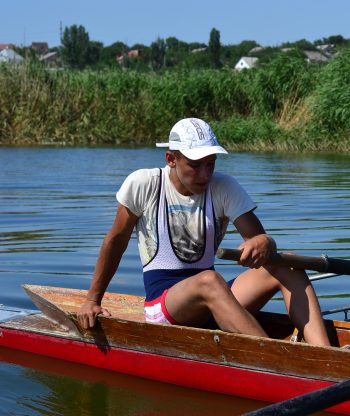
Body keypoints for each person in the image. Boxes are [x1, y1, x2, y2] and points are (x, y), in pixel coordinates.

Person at [77, 117, 330, 347]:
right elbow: (115, 241)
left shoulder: (223, 187)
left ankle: (326, 356)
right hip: (163, 307)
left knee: (288, 264)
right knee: (210, 281)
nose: (205, 174)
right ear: (171, 159)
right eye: (195, 165)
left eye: (210, 164)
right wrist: (92, 300)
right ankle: (282, 362)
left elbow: (258, 243)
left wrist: (266, 241)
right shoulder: (145, 183)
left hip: (212, 297)